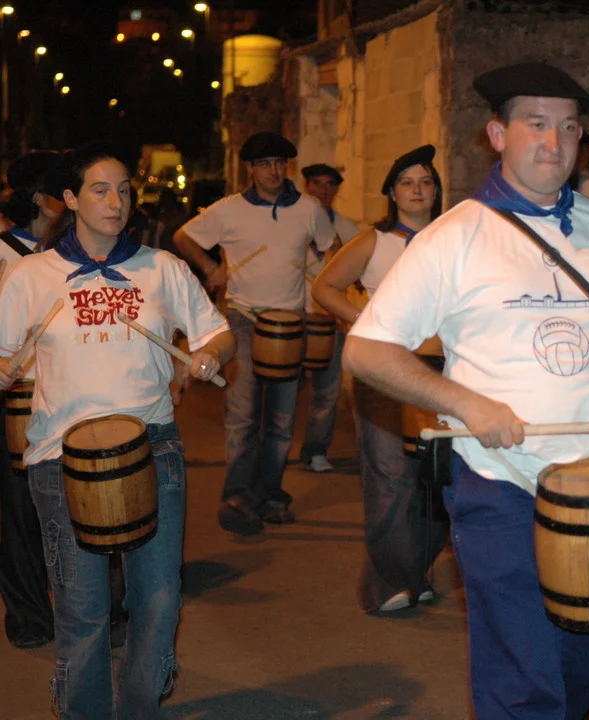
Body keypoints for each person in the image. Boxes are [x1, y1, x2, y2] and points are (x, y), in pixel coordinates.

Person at [343, 63, 589, 718]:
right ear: (497, 134)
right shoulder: (453, 236)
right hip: (500, 482)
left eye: (568, 128)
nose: (553, 142)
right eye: (535, 124)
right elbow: (367, 349)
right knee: (522, 674)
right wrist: (465, 403)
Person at [0, 141, 236, 719]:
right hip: (61, 455)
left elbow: (217, 332)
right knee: (82, 607)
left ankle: (138, 707)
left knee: (158, 597)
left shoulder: (162, 267)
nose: (116, 201)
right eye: (100, 190)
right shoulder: (32, 275)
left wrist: (210, 354)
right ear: (70, 198)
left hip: (152, 444)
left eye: (124, 190)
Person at [173, 132, 340, 535]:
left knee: (281, 419)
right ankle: (237, 495)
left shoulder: (309, 208)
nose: (273, 171)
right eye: (265, 164)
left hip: (290, 323)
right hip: (243, 320)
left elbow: (332, 248)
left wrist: (328, 284)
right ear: (250, 168)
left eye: (280, 163)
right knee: (243, 413)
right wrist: (210, 268)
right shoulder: (228, 209)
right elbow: (183, 237)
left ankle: (271, 495)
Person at [312, 145, 448, 612]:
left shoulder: (454, 238)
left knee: (436, 479)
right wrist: (365, 320)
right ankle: (389, 583)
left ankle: (416, 571)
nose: (417, 190)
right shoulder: (374, 241)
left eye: (425, 182)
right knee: (389, 476)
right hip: (384, 371)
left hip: (443, 373)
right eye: (406, 183)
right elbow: (324, 287)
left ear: (436, 191)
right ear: (392, 193)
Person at [0, 151, 64, 650]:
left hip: (65, 396)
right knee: (18, 515)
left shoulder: (69, 256)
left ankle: (96, 610)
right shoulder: (4, 254)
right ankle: (29, 617)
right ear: (43, 200)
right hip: (12, 403)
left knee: (72, 505)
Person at [298, 162, 359, 473]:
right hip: (294, 316)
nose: (323, 190)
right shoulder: (293, 221)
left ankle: (316, 450)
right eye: (317, 183)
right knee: (283, 391)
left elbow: (360, 272)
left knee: (328, 389)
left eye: (330, 184)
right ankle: (269, 455)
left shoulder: (348, 230)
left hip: (329, 319)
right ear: (306, 186)